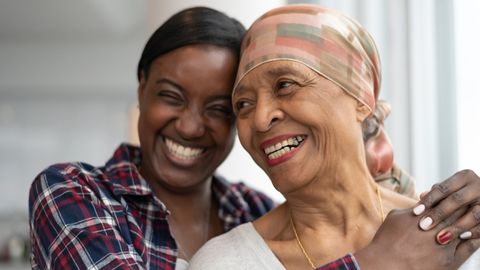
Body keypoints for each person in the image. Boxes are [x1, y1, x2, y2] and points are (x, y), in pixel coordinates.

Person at [188, 4, 480, 269]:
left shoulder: (459, 231)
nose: (261, 118)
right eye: (243, 104)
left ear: (362, 98)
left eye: (285, 85)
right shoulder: (225, 262)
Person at [28, 7, 274, 270]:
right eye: (171, 96)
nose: (190, 128)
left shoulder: (257, 210)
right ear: (142, 89)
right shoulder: (72, 191)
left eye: (219, 109)